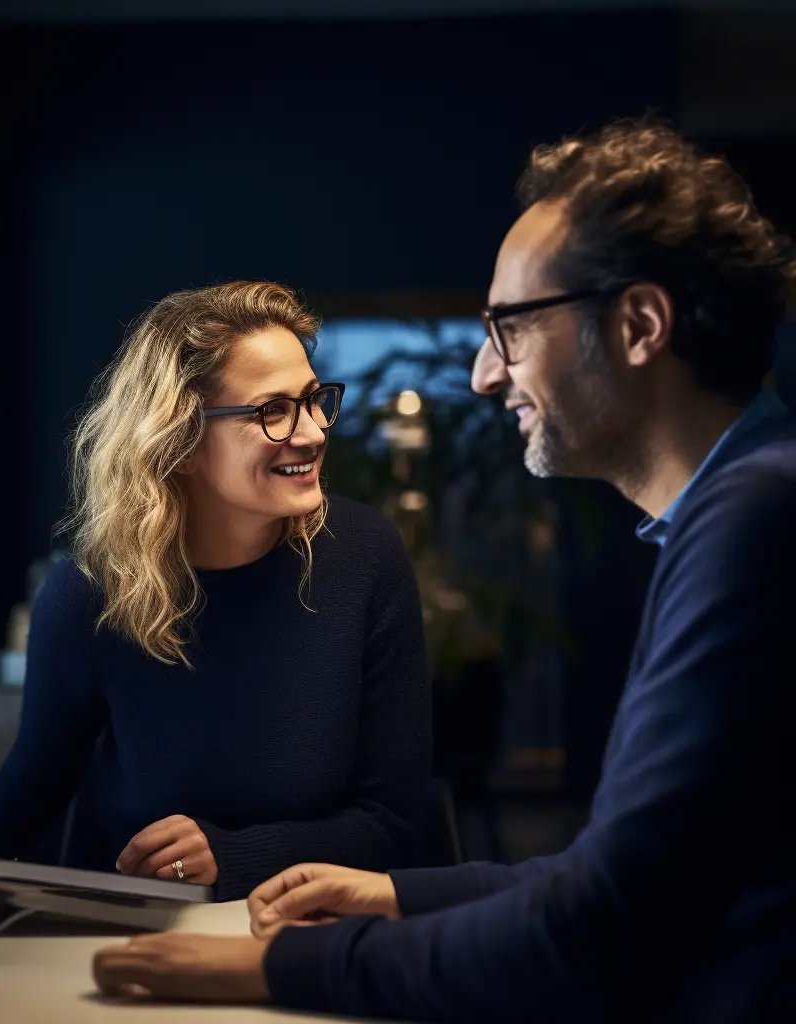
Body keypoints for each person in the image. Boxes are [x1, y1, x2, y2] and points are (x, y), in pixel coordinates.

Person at [92, 120, 796, 1019]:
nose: (482, 375)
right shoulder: (742, 501)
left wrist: (278, 971)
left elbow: (602, 924)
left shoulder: (754, 516)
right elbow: (617, 870)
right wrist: (395, 896)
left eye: (509, 327)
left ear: (640, 325)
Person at [0, 280, 431, 901]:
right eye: (273, 410)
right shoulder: (91, 595)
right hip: (130, 939)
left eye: (315, 400)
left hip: (308, 933)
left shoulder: (363, 559)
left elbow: (397, 825)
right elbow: (24, 805)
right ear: (179, 442)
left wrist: (232, 857)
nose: (315, 431)